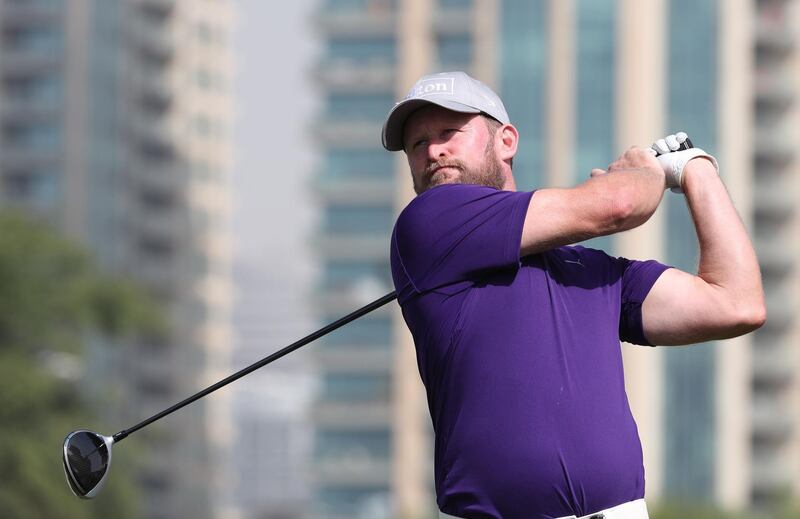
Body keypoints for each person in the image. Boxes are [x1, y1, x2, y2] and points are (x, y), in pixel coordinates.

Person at [381, 71, 765, 519]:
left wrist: (696, 169)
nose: (433, 150)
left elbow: (737, 304)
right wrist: (645, 170)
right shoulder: (428, 223)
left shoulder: (589, 269)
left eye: (449, 132)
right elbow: (619, 205)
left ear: (505, 141)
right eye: (416, 144)